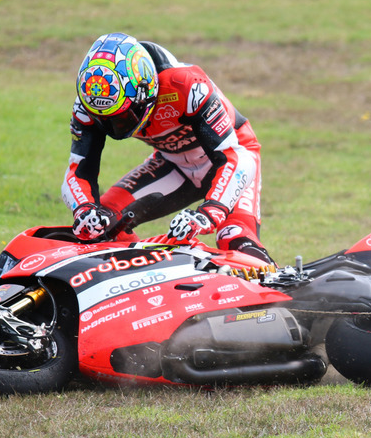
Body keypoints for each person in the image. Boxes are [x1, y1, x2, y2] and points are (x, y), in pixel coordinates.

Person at [61, 32, 273, 264]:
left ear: (146, 91)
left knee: (234, 236)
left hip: (234, 159)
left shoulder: (186, 85)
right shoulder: (88, 106)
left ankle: (284, 290)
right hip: (172, 163)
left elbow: (235, 157)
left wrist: (209, 213)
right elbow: (78, 170)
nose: (114, 127)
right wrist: (84, 208)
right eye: (106, 119)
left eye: (123, 117)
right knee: (104, 222)